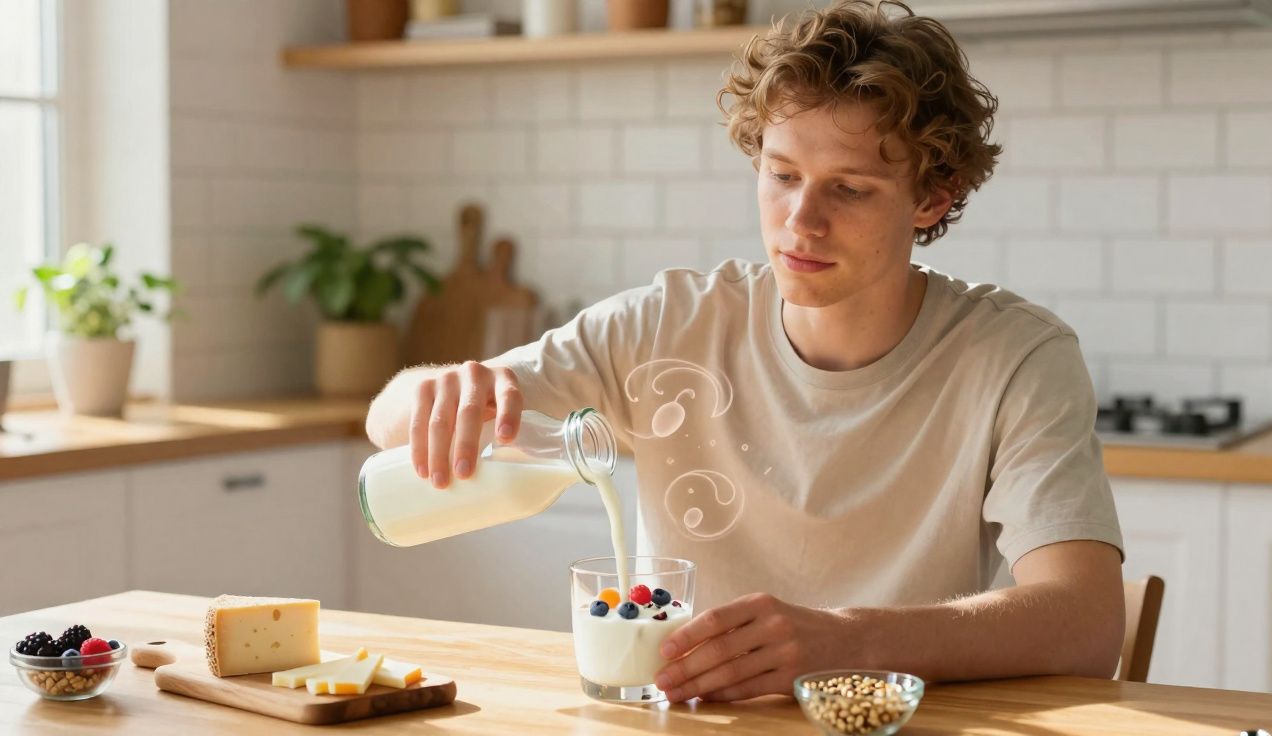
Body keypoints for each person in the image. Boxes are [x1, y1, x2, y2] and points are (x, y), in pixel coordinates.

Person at [365, 0, 1125, 704]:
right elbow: (389, 421)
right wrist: (431, 394)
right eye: (782, 176)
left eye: (850, 189)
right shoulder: (670, 323)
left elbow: (1085, 622)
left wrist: (846, 640)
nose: (802, 221)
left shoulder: (1017, 357)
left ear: (932, 196)